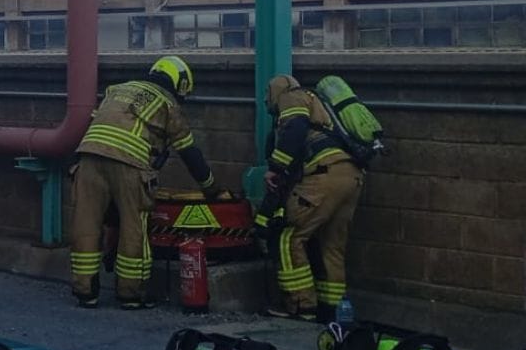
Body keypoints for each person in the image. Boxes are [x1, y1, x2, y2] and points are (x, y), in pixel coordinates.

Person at [69, 55, 226, 310]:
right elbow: (189, 153)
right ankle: (131, 294)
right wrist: (211, 188)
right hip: (129, 163)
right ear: (179, 83)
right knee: (134, 225)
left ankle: (85, 291)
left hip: (88, 158)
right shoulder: (168, 103)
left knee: (86, 223)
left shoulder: (116, 90)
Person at [255, 73, 365, 322]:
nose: (266, 101)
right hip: (352, 176)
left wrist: (275, 168)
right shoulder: (320, 105)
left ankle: (300, 306)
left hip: (324, 175)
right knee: (331, 245)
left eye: (267, 95)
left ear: (275, 91)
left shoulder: (291, 97)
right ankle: (331, 310)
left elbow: (295, 129)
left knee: (288, 236)